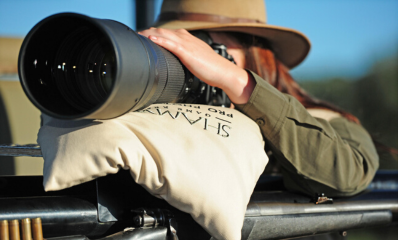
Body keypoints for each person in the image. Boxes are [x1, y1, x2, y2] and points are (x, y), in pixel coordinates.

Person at [139, 0, 379, 197]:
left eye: (199, 45)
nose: (189, 59)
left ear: (254, 49)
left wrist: (235, 80)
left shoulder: (325, 121)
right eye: (176, 45)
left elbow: (349, 173)